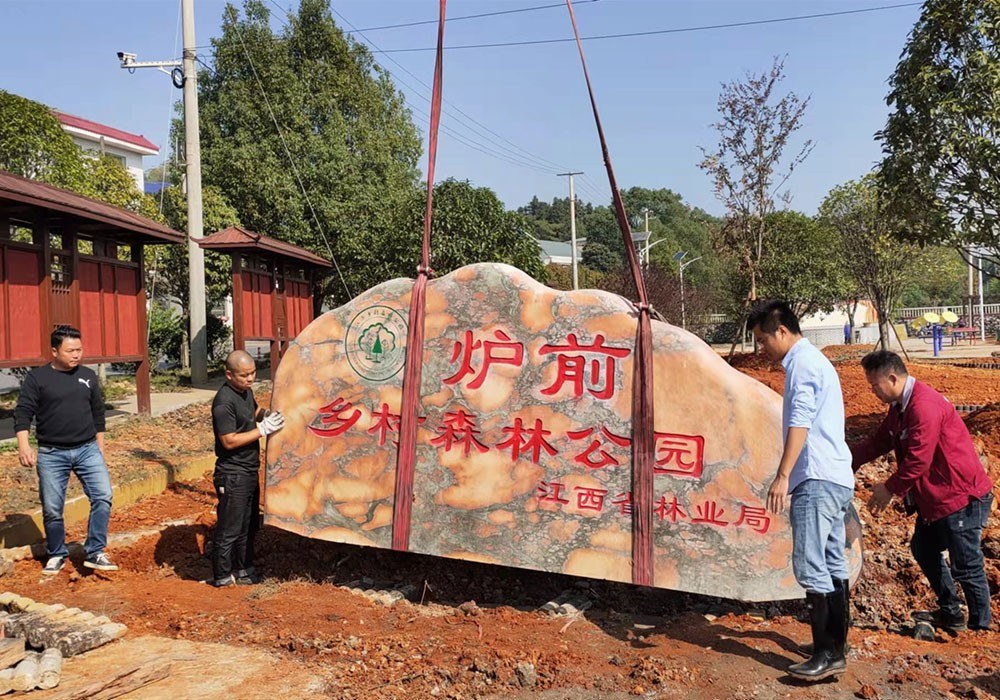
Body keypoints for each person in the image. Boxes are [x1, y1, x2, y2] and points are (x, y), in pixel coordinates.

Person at [749, 301, 854, 681]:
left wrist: (782, 475)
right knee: (831, 562)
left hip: (816, 477)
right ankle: (835, 645)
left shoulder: (803, 365)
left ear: (781, 331)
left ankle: (827, 653)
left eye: (762, 340)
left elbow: (800, 422)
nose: (761, 348)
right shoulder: (814, 361)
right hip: (836, 477)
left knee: (811, 564)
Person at [851, 351, 993, 632]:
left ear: (892, 378)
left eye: (874, 385)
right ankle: (951, 613)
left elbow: (919, 458)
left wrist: (889, 489)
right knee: (924, 548)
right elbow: (880, 441)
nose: (873, 391)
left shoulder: (923, 406)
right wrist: (845, 460)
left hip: (960, 496)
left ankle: (980, 629)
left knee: (966, 564)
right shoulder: (900, 407)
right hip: (937, 497)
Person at [13, 325, 118, 574]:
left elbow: (98, 414)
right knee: (52, 508)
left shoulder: (88, 376)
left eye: (79, 349)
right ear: (54, 351)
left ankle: (95, 551)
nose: (76, 355)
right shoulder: (37, 379)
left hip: (87, 449)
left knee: (103, 496)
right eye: (70, 350)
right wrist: (24, 445)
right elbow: (23, 412)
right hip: (51, 453)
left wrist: (100, 448)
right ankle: (57, 553)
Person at [209, 350, 284, 587]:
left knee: (249, 525)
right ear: (229, 375)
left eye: (252, 373)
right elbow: (229, 440)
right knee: (230, 527)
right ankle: (221, 575)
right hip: (232, 473)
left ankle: (244, 569)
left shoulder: (245, 392)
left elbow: (253, 411)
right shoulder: (223, 402)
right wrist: (262, 430)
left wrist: (270, 416)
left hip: (249, 470)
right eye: (244, 375)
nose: (250, 379)